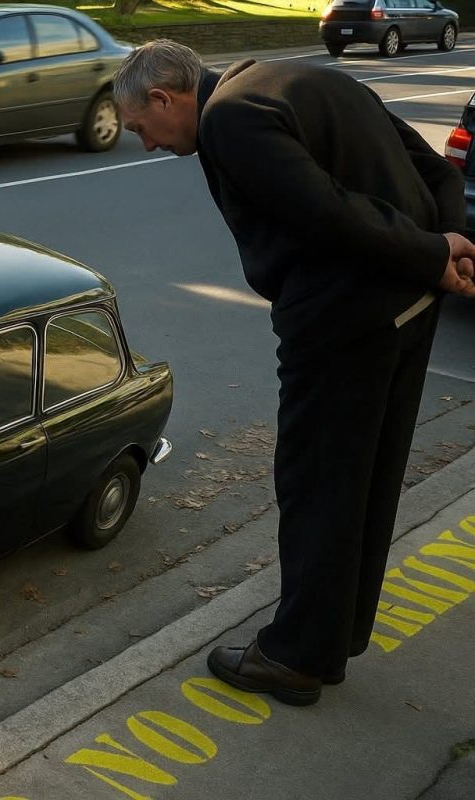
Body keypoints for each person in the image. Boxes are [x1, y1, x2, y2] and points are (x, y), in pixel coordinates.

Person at [113, 39, 475, 706]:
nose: (148, 145)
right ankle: (336, 635)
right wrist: (450, 250)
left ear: (164, 97)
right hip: (407, 311)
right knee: (367, 482)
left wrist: (431, 253)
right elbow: (438, 173)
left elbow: (325, 212)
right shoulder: (304, 78)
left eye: (141, 127)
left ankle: (295, 657)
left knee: (318, 485)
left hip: (343, 323)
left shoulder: (228, 117)